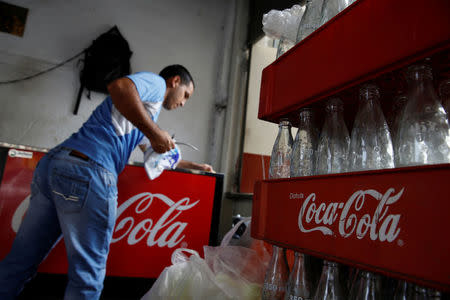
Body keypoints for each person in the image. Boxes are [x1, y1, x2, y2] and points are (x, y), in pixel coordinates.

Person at [0, 64, 214, 299]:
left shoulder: (141, 114)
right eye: (186, 95)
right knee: (87, 278)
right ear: (174, 81)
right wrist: (155, 132)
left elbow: (155, 154)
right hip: (88, 170)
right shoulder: (156, 84)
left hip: (56, 165)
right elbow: (119, 86)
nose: (183, 103)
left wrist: (195, 167)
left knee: (21, 261)